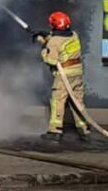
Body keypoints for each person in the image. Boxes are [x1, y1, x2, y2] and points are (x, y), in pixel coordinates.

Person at [38, 11, 89, 142]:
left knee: (58, 100)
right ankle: (83, 128)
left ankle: (55, 130)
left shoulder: (53, 42)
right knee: (77, 101)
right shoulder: (74, 35)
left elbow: (51, 61)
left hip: (64, 75)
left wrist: (43, 47)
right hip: (77, 73)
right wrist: (48, 37)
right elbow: (62, 41)